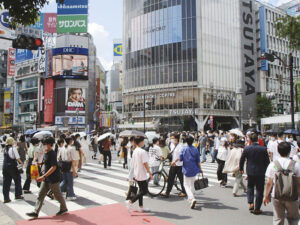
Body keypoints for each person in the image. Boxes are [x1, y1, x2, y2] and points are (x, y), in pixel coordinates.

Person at [26, 137, 68, 219]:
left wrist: (43, 176)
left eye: (45, 144)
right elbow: (46, 162)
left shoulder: (52, 153)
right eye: (43, 144)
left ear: (50, 144)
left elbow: (54, 167)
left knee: (58, 195)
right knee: (41, 194)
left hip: (53, 179)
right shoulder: (46, 152)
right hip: (46, 178)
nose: (43, 146)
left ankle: (64, 208)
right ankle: (35, 212)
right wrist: (39, 163)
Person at [263, 142, 300, 225]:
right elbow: (298, 183)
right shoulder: (295, 165)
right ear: (289, 151)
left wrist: (266, 196)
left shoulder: (273, 165)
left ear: (278, 151)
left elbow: (269, 183)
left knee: (278, 219)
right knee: (294, 219)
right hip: (292, 195)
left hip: (277, 195)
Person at [240, 133, 270, 215]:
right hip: (261, 171)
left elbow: (242, 159)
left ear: (250, 139)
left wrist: (241, 169)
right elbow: (267, 161)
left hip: (250, 171)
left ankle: (251, 202)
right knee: (259, 189)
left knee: (250, 186)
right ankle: (257, 208)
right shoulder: (263, 149)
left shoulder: (247, 148)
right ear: (257, 139)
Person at [126, 136, 152, 213]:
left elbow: (133, 163)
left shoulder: (135, 151)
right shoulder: (142, 151)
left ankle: (141, 207)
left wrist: (132, 174)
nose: (143, 143)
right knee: (144, 191)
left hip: (137, 172)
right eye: (143, 141)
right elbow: (145, 163)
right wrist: (150, 173)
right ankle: (130, 202)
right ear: (140, 142)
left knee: (141, 191)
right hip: (142, 173)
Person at [179, 136, 201, 209]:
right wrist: (200, 168)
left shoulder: (184, 149)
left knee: (186, 184)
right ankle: (191, 198)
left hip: (186, 168)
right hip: (194, 168)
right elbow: (198, 160)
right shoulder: (195, 149)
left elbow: (180, 159)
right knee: (192, 184)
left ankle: (191, 198)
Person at [161, 133, 186, 197]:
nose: (171, 139)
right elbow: (171, 154)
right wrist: (165, 158)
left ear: (176, 139)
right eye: (171, 138)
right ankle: (167, 192)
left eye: (172, 138)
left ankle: (184, 192)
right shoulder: (172, 145)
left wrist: (175, 161)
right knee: (170, 179)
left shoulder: (181, 146)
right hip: (173, 164)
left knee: (181, 179)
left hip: (179, 165)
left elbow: (181, 156)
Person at [2, 137, 24, 203]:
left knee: (6, 182)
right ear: (11, 142)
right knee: (17, 179)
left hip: (5, 166)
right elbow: (17, 158)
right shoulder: (13, 148)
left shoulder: (4, 148)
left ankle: (6, 198)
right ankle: (17, 194)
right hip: (12, 166)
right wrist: (21, 163)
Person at [58, 137, 77, 201]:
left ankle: (58, 192)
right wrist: (74, 170)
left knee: (65, 181)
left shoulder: (62, 148)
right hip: (69, 166)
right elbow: (73, 160)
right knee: (70, 182)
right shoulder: (71, 148)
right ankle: (70, 195)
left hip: (63, 165)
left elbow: (58, 158)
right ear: (70, 141)